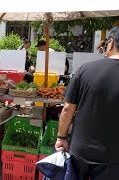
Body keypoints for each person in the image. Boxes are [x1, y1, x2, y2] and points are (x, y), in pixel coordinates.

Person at [55, 26, 119, 179]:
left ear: (110, 43)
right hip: (114, 157)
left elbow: (68, 108)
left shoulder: (85, 69)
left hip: (80, 151)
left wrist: (61, 137)